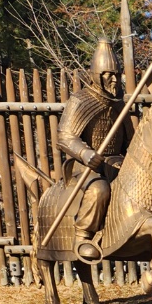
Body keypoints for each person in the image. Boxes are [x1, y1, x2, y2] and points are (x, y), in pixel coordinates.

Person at [57, 39, 131, 260]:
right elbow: (64, 136)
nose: (114, 79)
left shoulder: (120, 104)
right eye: (109, 74)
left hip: (116, 163)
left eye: (117, 74)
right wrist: (86, 153)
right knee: (99, 191)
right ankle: (83, 236)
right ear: (97, 74)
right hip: (86, 167)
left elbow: (130, 140)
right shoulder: (80, 100)